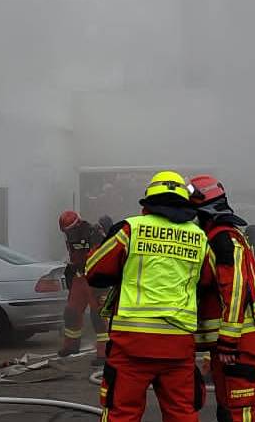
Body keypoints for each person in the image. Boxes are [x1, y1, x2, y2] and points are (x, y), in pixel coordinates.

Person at [86, 171, 214, 422]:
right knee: (181, 413)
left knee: (122, 413)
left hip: (132, 344)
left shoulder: (130, 229)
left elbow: (95, 271)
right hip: (178, 344)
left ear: (149, 199)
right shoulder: (200, 238)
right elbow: (207, 281)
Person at [189, 174, 255, 422]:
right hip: (229, 344)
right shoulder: (219, 237)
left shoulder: (224, 239)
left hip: (239, 344)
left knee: (239, 412)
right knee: (226, 410)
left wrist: (228, 340)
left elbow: (235, 290)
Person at [57, 210, 109, 361]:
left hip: (95, 278)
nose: (68, 234)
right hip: (80, 277)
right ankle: (71, 345)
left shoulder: (93, 233)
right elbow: (75, 256)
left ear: (78, 225)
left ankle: (104, 352)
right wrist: (72, 269)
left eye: (70, 230)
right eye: (66, 232)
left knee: (98, 316)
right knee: (71, 312)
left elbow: (100, 255)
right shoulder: (70, 237)